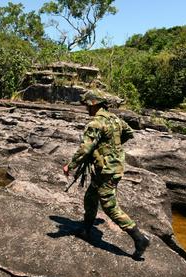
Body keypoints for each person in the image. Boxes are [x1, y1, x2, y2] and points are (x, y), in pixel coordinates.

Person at [63, 90, 150, 260]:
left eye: (87, 105)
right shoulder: (115, 119)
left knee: (109, 206)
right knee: (90, 197)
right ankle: (86, 229)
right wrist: (111, 148)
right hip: (110, 168)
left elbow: (85, 148)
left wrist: (70, 165)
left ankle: (139, 239)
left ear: (94, 104)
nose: (86, 108)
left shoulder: (96, 123)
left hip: (107, 171)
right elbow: (128, 133)